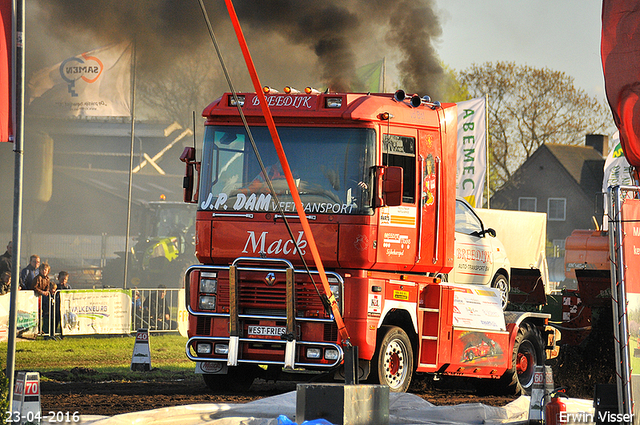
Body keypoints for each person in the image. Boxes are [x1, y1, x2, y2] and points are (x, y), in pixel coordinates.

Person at [32, 262, 52, 336]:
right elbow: (34, 287)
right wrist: (42, 292)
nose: (44, 271)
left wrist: (46, 291)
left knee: (42, 313)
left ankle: (41, 329)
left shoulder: (47, 278)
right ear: (40, 270)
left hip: (43, 298)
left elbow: (47, 287)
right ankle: (36, 329)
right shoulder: (38, 278)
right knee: (37, 313)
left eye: (46, 270)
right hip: (37, 297)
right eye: (43, 270)